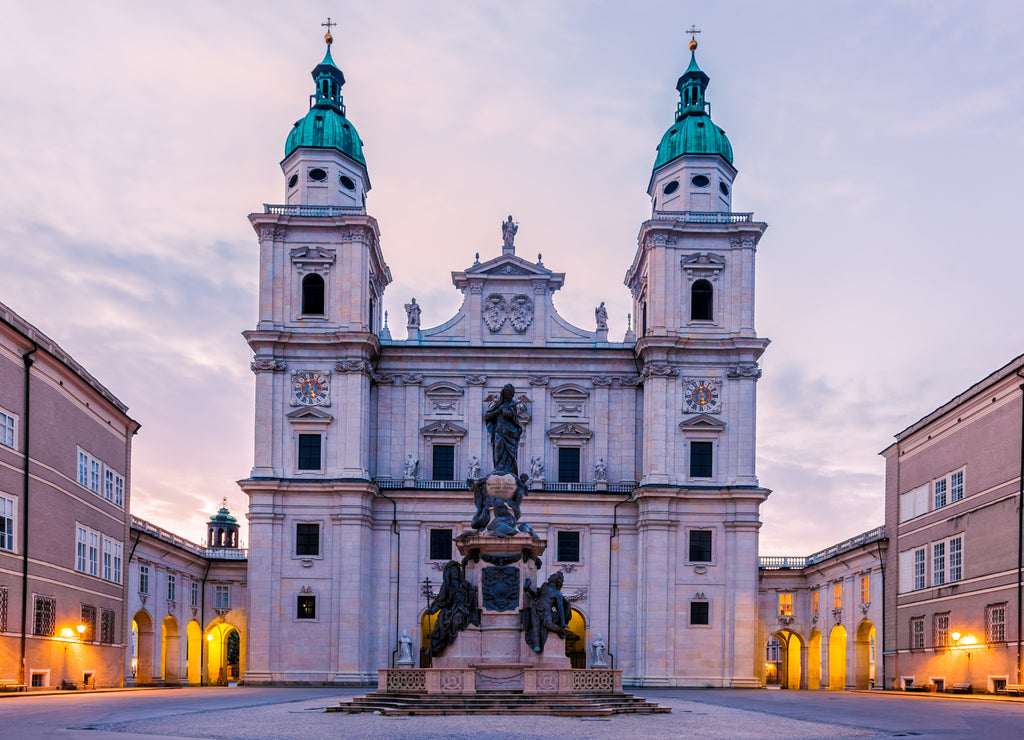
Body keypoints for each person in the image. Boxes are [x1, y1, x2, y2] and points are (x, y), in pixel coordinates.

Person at [427, 561, 480, 655]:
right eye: (453, 572)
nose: (455, 574)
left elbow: (472, 596)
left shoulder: (465, 584)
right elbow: (441, 601)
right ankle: (436, 645)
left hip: (463, 609)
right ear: (449, 574)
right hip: (450, 609)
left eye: (456, 571)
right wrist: (433, 610)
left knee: (457, 617)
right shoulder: (447, 587)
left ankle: (447, 641)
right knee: (442, 621)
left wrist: (473, 592)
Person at [484, 384, 522, 476]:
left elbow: (512, 417)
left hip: (510, 432)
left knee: (509, 453)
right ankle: (499, 467)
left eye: (512, 394)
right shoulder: (498, 405)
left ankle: (508, 469)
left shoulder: (512, 405)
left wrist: (508, 411)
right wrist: (498, 411)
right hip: (499, 431)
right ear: (504, 394)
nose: (510, 396)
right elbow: (488, 416)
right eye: (509, 393)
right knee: (498, 448)